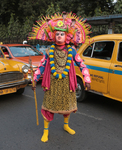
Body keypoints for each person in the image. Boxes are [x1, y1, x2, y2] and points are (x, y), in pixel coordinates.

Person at [29, 12, 91, 143]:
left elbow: (82, 64)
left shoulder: (72, 51)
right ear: (53, 36)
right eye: (57, 34)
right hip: (52, 84)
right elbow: (41, 66)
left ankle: (66, 125)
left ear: (67, 36)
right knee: (48, 107)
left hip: (67, 84)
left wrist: (87, 80)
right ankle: (45, 131)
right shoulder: (48, 51)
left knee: (67, 106)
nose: (59, 36)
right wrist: (34, 79)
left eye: (62, 34)